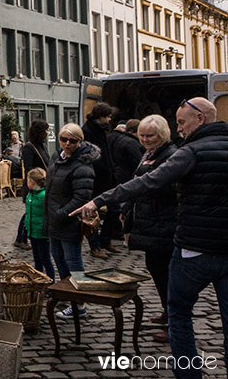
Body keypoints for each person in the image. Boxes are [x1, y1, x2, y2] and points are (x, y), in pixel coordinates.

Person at [73, 98, 228, 375]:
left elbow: (148, 182)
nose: (179, 128)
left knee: (179, 315)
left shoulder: (190, 151)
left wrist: (99, 200)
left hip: (194, 249)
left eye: (182, 122)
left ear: (200, 119)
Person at [119, 114, 178, 343]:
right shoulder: (148, 154)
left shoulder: (170, 155)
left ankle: (174, 323)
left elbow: (163, 188)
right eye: (142, 135)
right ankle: (167, 312)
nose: (144, 139)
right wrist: (127, 207)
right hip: (150, 222)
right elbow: (136, 183)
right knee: (157, 270)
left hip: (163, 223)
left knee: (166, 274)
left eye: (150, 135)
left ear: (162, 135)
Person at [45, 123, 98, 319]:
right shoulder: (57, 158)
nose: (67, 143)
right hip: (54, 221)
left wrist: (60, 213)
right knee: (59, 261)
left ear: (80, 141)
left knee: (74, 263)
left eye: (72, 140)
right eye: (64, 139)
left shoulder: (83, 165)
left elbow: (81, 198)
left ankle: (80, 304)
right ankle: (70, 296)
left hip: (68, 221)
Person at [102, 118, 144, 253]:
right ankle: (122, 233)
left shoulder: (113, 139)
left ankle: (111, 234)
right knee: (123, 209)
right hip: (126, 178)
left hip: (114, 177)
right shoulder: (131, 143)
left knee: (115, 207)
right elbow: (138, 164)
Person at [82, 103, 115, 259]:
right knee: (92, 214)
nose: (109, 119)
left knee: (114, 209)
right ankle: (95, 246)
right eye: (107, 116)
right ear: (100, 116)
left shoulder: (102, 130)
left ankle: (105, 240)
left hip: (107, 177)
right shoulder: (87, 131)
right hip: (95, 178)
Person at [15, 120, 50, 250]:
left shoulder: (42, 145)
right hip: (33, 185)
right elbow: (28, 168)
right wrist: (35, 180)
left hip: (44, 184)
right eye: (45, 130)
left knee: (33, 211)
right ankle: (21, 238)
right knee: (29, 213)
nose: (47, 132)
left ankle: (21, 238)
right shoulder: (29, 147)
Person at [25, 167, 53, 282]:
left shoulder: (43, 195)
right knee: (37, 259)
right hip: (33, 231)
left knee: (45, 259)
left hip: (42, 233)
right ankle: (39, 281)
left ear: (31, 181)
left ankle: (50, 281)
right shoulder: (30, 195)